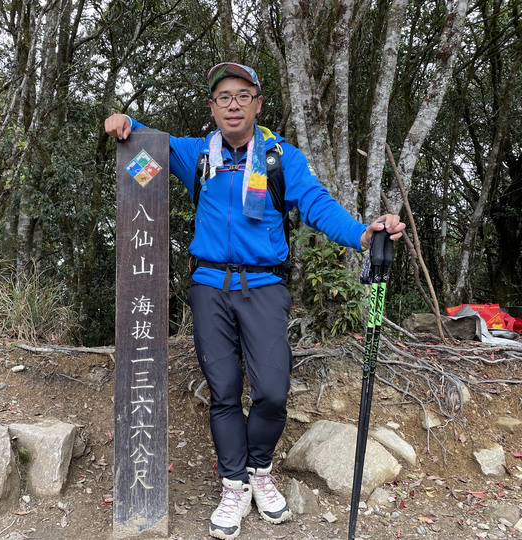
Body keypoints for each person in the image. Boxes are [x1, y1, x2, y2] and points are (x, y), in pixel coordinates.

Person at [105, 62, 405, 540]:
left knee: (271, 390)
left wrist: (361, 235)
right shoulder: (198, 154)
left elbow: (317, 204)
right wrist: (126, 123)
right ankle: (233, 484)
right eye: (223, 96)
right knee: (223, 391)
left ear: (258, 103)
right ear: (212, 107)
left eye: (242, 95)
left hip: (264, 287)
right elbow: (148, 142)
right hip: (209, 287)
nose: (232, 104)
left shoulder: (281, 158)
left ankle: (259, 472)